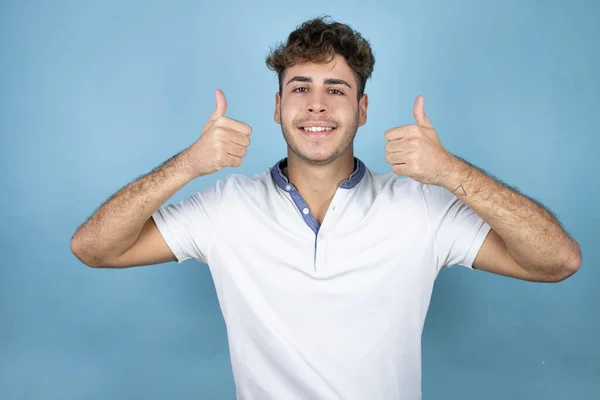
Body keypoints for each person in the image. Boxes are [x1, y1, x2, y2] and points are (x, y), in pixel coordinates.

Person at [71, 16, 582, 400]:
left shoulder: (421, 209)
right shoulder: (226, 209)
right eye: (300, 89)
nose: (316, 105)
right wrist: (189, 164)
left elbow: (557, 261)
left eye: (335, 90)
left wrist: (451, 172)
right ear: (277, 108)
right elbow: (93, 248)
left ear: (362, 110)